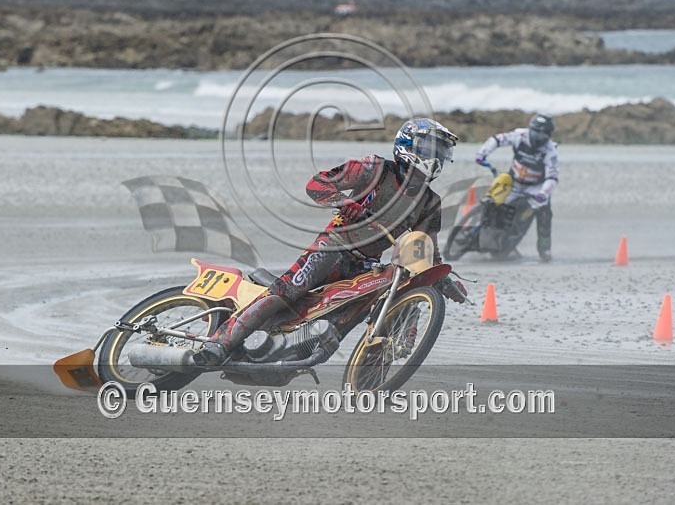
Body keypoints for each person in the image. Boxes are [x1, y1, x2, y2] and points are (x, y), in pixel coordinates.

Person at [193, 117, 467, 366]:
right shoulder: (373, 169)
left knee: (352, 314)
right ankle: (220, 342)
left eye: (442, 151)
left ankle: (302, 351)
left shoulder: (430, 202)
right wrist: (344, 203)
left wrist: (441, 279)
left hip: (367, 265)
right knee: (290, 289)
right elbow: (318, 183)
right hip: (334, 246)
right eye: (432, 149)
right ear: (408, 145)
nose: (437, 157)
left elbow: (424, 246)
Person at [475, 113, 559, 262]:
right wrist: (482, 154)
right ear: (529, 129)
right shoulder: (519, 135)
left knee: (545, 214)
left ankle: (544, 249)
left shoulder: (550, 150)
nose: (538, 137)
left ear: (548, 135)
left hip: (536, 187)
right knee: (492, 202)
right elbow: (497, 140)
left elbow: (552, 178)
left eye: (542, 135)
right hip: (513, 180)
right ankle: (479, 232)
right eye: (535, 132)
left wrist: (543, 193)